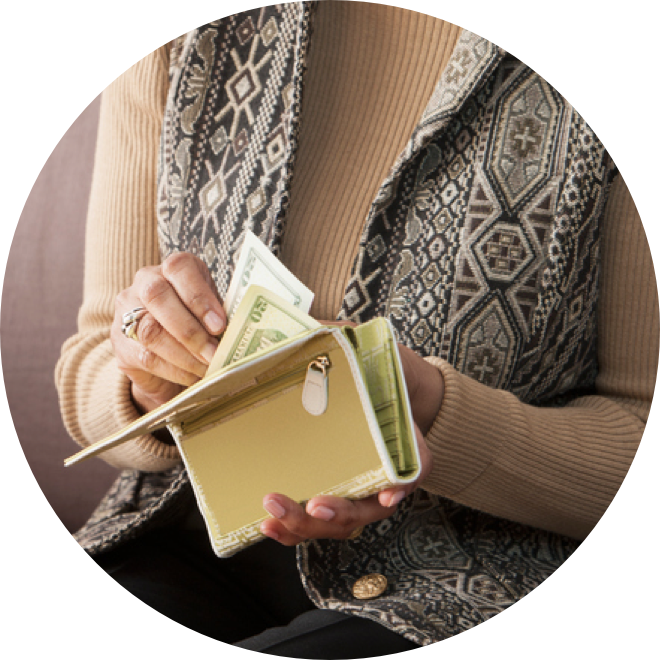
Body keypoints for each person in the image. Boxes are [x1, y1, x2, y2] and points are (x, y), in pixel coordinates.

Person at [55, 1, 657, 655]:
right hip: (188, 541)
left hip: (477, 573)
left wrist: (423, 407)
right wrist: (148, 379)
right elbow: (94, 360)